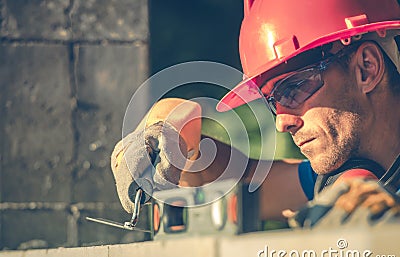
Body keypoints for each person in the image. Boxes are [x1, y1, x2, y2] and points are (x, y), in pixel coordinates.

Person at [112, 0, 400, 228]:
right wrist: (168, 125)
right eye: (273, 101)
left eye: (293, 89)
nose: (281, 122)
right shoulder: (341, 174)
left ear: (367, 68)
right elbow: (237, 180)